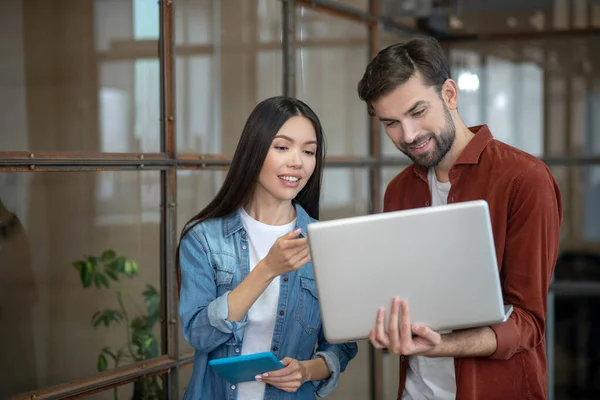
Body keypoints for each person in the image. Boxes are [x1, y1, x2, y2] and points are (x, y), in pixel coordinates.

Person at [357, 36, 563, 400]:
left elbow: (528, 323)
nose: (408, 135)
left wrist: (440, 346)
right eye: (391, 123)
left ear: (450, 94)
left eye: (418, 112)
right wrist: (392, 328)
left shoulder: (525, 179)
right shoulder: (398, 191)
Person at [177, 96, 358, 400]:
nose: (297, 162)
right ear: (255, 150)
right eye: (282, 147)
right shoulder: (204, 239)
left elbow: (342, 344)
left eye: (309, 151)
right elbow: (199, 334)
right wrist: (267, 269)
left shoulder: (324, 242)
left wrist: (306, 370)